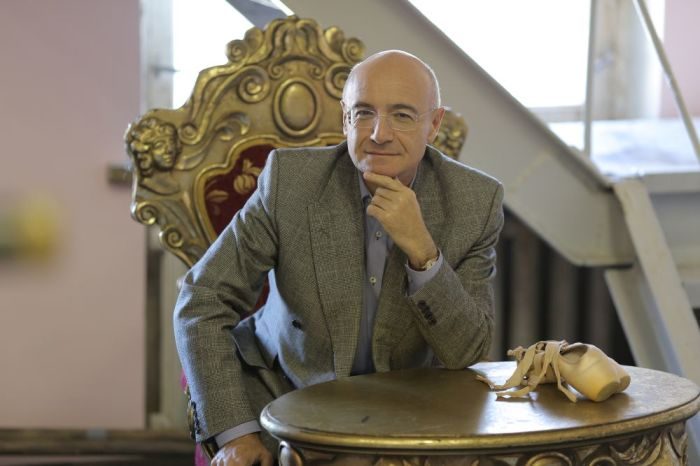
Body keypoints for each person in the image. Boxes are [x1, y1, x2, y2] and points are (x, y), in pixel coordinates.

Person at [174, 50, 504, 466]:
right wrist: (235, 434)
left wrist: (423, 250)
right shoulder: (290, 181)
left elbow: (466, 352)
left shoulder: (476, 202)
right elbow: (202, 299)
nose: (379, 134)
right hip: (282, 395)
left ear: (434, 125)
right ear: (345, 119)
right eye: (364, 113)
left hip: (407, 414)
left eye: (402, 115)